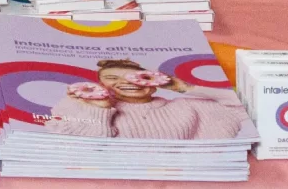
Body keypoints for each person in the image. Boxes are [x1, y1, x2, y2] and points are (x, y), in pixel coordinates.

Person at [40, 59, 249, 141]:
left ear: (154, 82)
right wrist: (100, 108)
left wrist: (184, 88)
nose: (126, 82)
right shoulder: (77, 105)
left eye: (137, 77)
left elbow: (244, 106)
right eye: (112, 78)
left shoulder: (187, 106)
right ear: (101, 85)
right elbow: (85, 148)